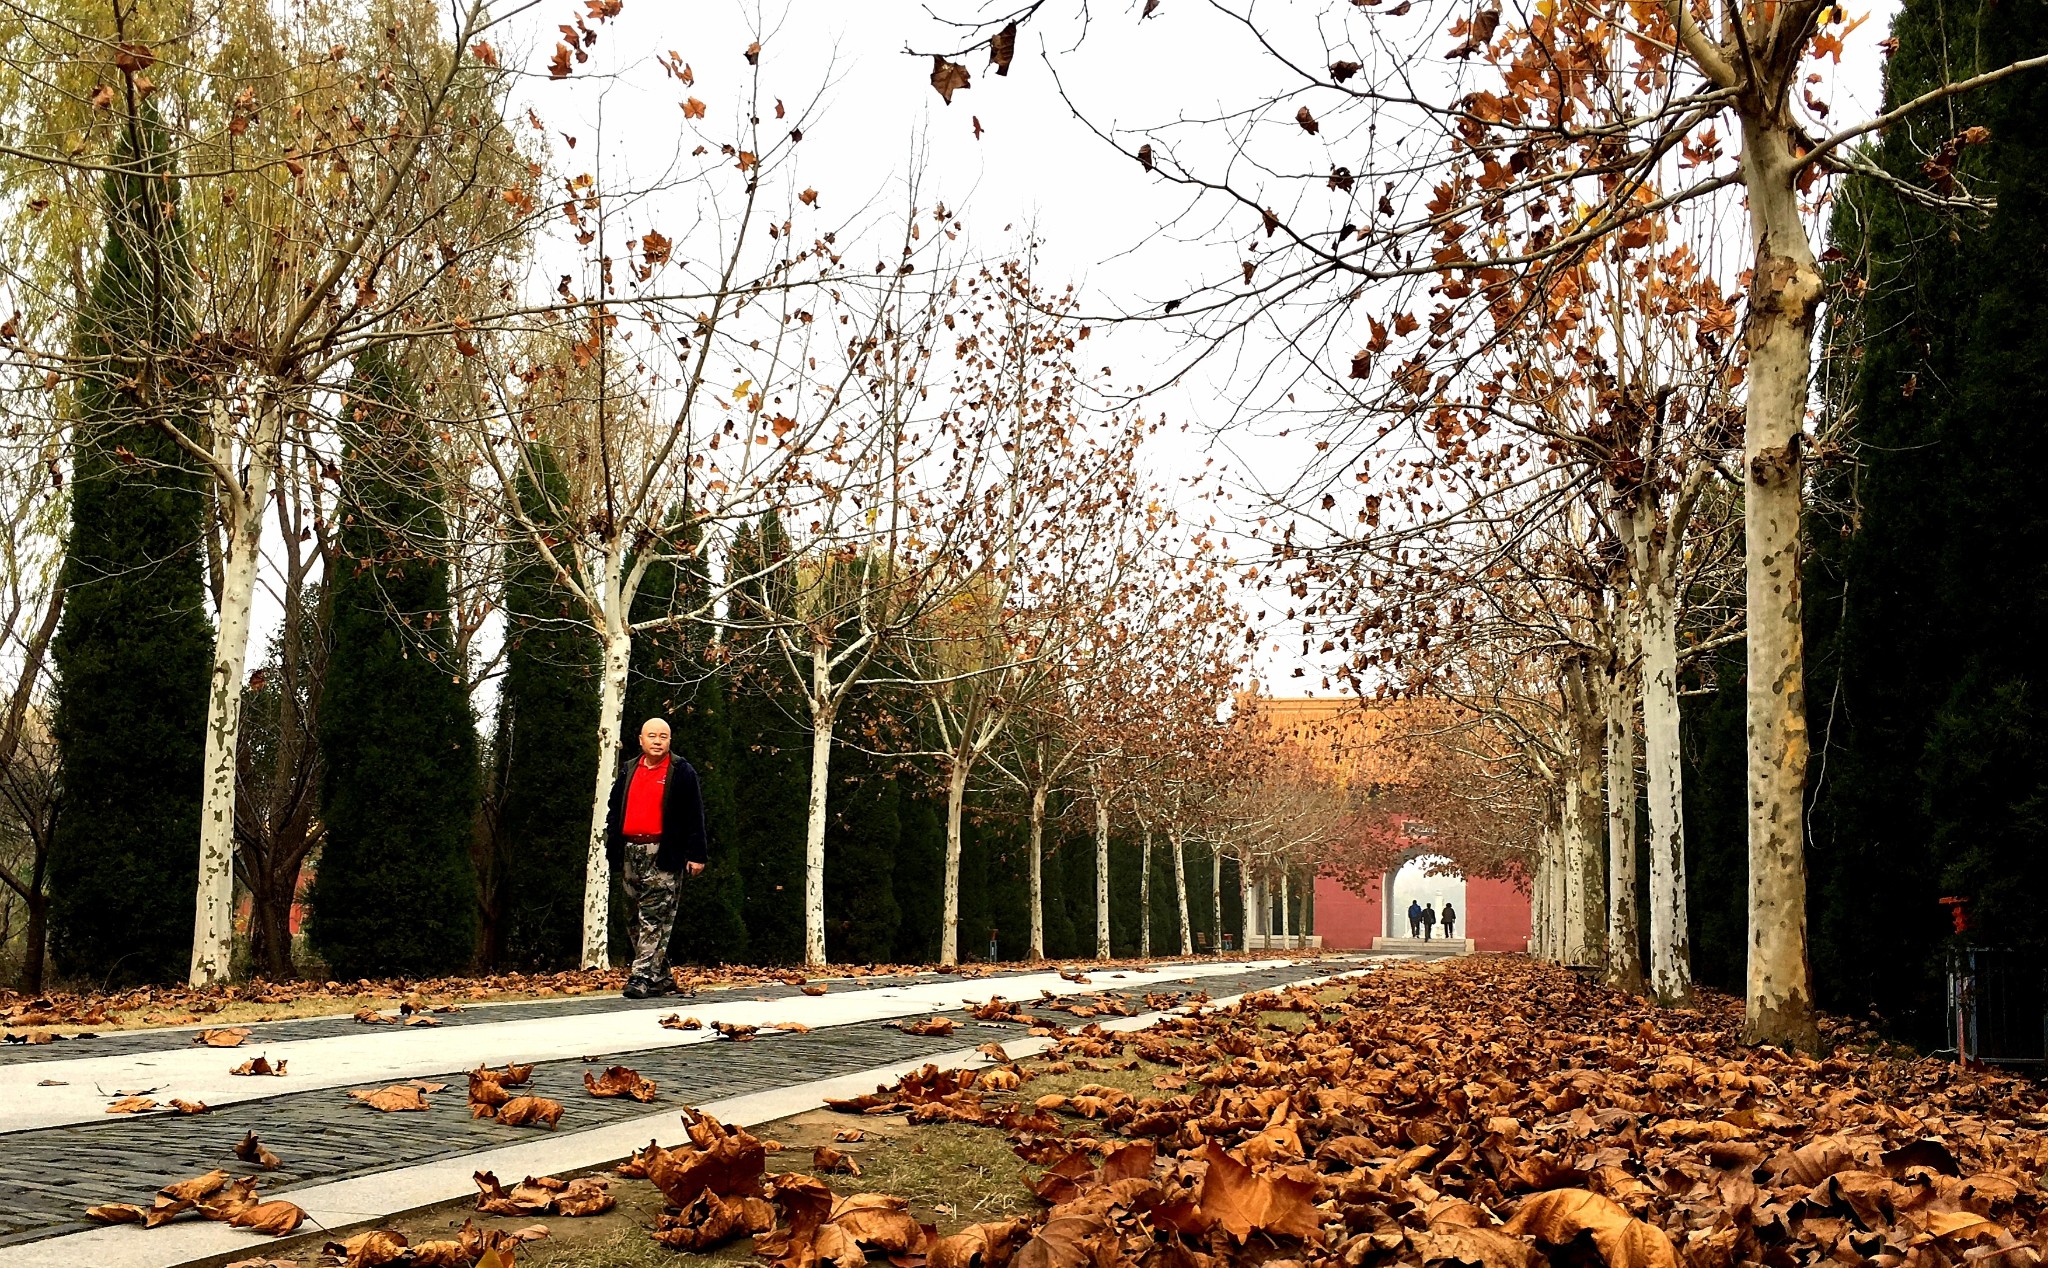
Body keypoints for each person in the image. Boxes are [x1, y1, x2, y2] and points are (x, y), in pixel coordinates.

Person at [605, 717, 709, 999]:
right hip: (630, 851)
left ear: (670, 741)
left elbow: (694, 814)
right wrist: (611, 844)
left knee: (654, 916)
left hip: (663, 853)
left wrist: (697, 854)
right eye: (652, 735)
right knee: (633, 917)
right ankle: (660, 977)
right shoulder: (628, 770)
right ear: (641, 739)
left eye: (663, 736)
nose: (657, 741)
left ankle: (640, 977)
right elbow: (614, 810)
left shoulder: (681, 771)